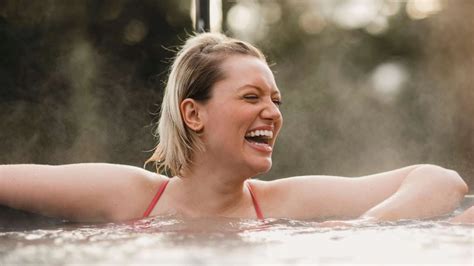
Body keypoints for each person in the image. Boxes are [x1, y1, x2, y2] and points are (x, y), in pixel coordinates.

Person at [0, 33, 471, 224]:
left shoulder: (282, 203)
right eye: (251, 97)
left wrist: (359, 234)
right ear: (193, 113)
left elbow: (440, 181)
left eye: (275, 100)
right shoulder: (134, 196)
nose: (272, 112)